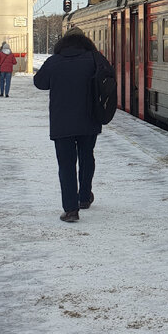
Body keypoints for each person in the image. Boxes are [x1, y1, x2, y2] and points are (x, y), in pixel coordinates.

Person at [33, 28, 108, 222]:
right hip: (89, 118)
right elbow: (109, 78)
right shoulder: (94, 58)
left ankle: (71, 209)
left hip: (62, 121)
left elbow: (39, 83)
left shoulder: (54, 61)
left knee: (66, 164)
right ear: (85, 41)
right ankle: (84, 197)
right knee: (86, 157)